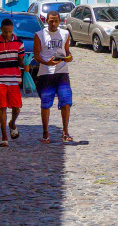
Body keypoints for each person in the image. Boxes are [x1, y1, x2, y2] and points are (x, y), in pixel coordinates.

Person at [0, 17, 26, 147]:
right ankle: (4, 137)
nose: (7, 34)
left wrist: (26, 64)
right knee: (2, 107)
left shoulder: (19, 42)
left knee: (16, 108)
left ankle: (12, 123)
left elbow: (21, 61)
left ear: (12, 30)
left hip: (14, 79)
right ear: (1, 30)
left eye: (9, 31)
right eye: (5, 31)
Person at [33, 10, 74, 143]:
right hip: (46, 73)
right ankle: (45, 132)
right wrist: (47, 62)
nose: (54, 23)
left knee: (66, 101)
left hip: (62, 72)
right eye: (51, 21)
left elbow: (67, 51)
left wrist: (69, 57)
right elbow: (36, 55)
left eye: (56, 20)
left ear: (59, 21)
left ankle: (65, 130)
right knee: (46, 104)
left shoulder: (65, 34)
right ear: (46, 20)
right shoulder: (39, 35)